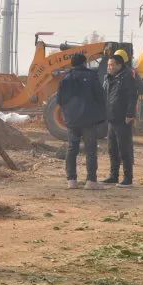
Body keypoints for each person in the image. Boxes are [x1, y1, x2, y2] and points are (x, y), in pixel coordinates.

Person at [57, 52, 107, 190]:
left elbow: (59, 100)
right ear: (84, 63)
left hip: (72, 120)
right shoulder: (92, 76)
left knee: (72, 148)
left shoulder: (66, 78)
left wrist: (69, 112)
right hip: (89, 119)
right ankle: (91, 181)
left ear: (72, 64)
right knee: (90, 149)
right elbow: (100, 96)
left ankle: (71, 181)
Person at [103, 51, 138, 187]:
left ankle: (128, 179)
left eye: (111, 65)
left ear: (119, 65)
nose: (109, 67)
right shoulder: (109, 78)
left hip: (123, 119)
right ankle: (113, 176)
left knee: (124, 149)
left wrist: (130, 114)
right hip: (111, 119)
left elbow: (132, 97)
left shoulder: (127, 78)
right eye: (108, 65)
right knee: (112, 149)